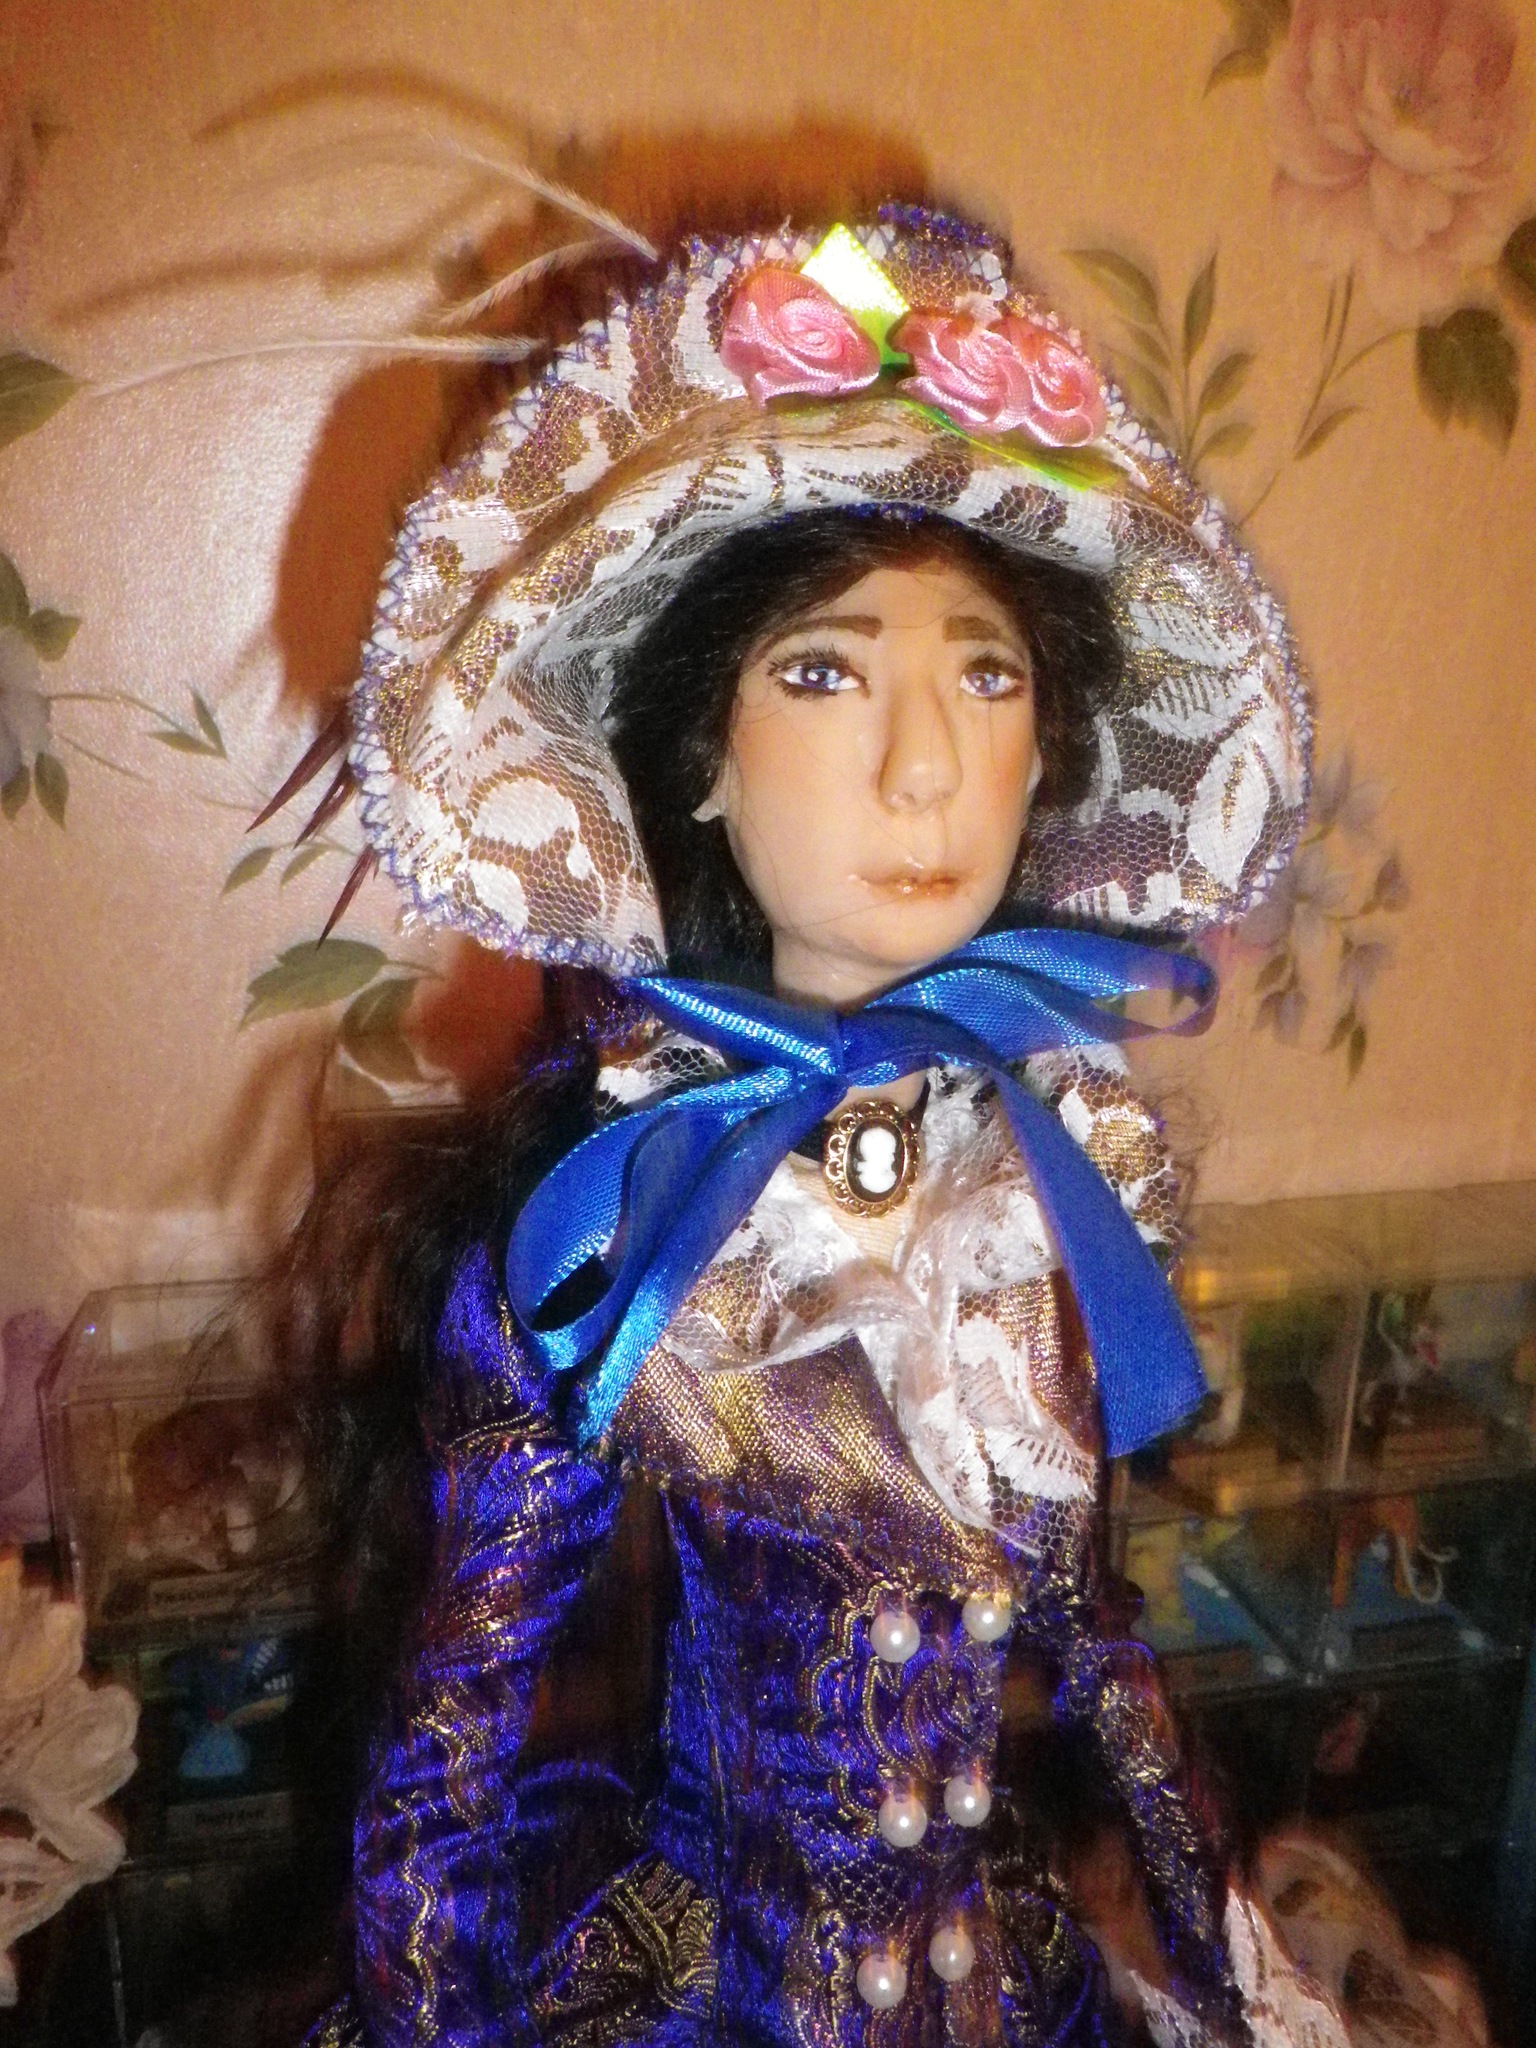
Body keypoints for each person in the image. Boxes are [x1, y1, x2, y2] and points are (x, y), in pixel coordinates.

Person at [294, 209, 1339, 2048]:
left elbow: (1100, 1647)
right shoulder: (626, 1222)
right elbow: (445, 1767)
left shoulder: (1044, 1187)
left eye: (988, 675)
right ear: (699, 749)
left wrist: (1227, 1963)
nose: (925, 768)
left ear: (1052, 741)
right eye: (825, 670)